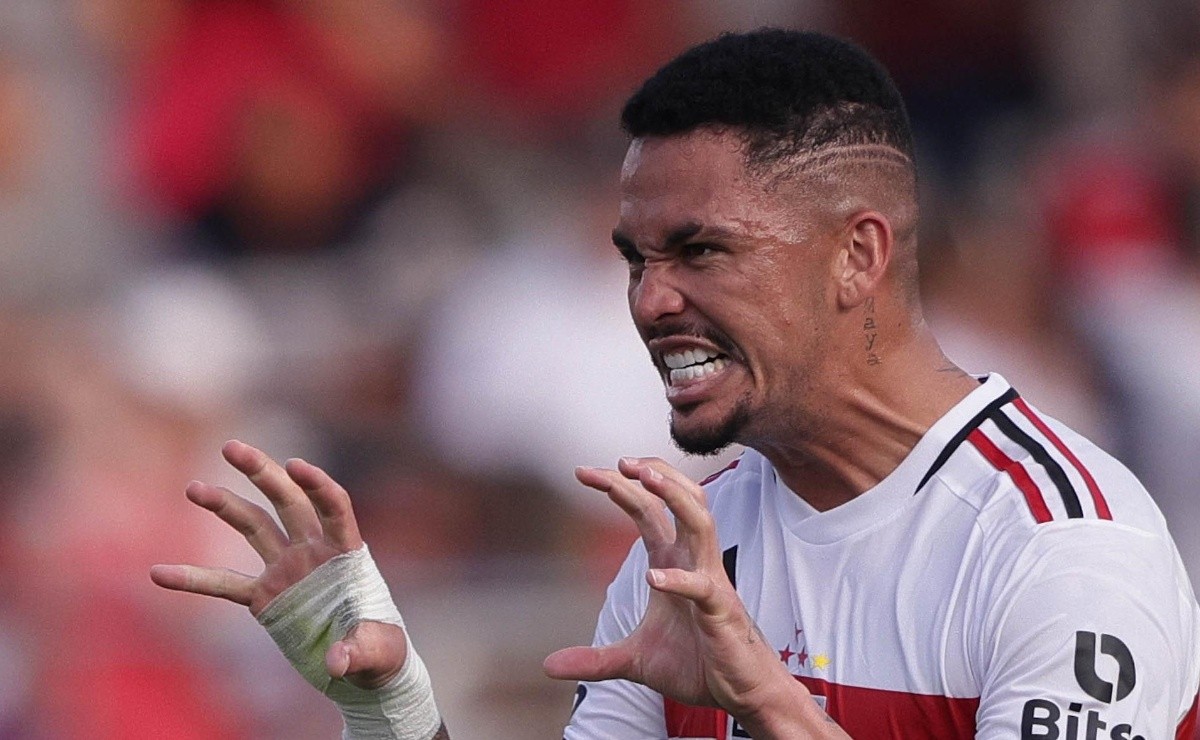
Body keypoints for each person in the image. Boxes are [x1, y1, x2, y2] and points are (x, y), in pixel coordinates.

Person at [151, 29, 1200, 739]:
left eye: (701, 251)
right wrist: (390, 706)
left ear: (858, 255)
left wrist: (771, 707)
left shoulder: (1062, 547)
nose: (651, 301)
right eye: (636, 259)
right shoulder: (701, 544)